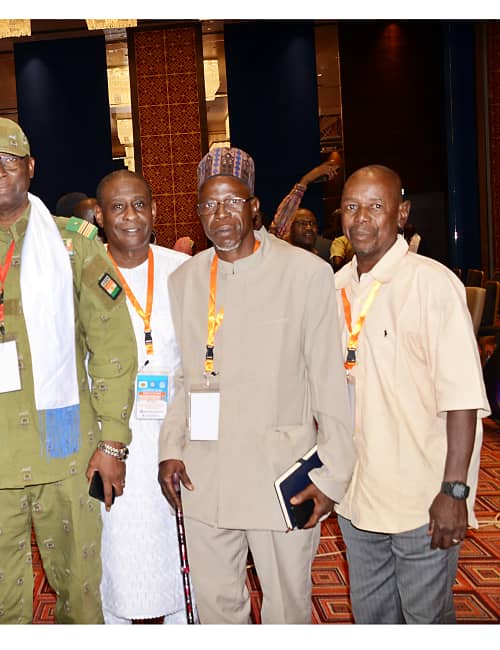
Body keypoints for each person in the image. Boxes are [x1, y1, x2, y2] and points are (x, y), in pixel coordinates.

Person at [0, 117, 137, 624]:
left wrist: (112, 442)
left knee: (79, 595)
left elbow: (112, 346)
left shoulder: (75, 243)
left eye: (9, 160)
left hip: (67, 451)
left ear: (31, 167)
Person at [157, 147, 355, 624]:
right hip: (207, 476)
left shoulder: (305, 274)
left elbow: (329, 384)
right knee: (217, 610)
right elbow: (186, 375)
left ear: (254, 206)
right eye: (209, 204)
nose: (220, 214)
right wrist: (170, 448)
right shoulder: (185, 280)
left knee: (286, 612)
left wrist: (332, 476)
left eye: (232, 201)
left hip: (279, 476)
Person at [333, 165, 488, 624]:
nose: (362, 217)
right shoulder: (335, 288)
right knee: (374, 620)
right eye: (352, 206)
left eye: (375, 206)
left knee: (426, 622)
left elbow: (462, 398)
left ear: (401, 214)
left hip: (422, 501)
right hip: (357, 497)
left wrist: (454, 492)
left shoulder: (432, 284)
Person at [93, 169, 189, 624]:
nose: (130, 216)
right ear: (99, 216)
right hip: (112, 437)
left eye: (139, 205)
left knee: (180, 548)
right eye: (117, 207)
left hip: (175, 434)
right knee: (116, 551)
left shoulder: (181, 269)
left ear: (154, 210)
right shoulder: (85, 273)